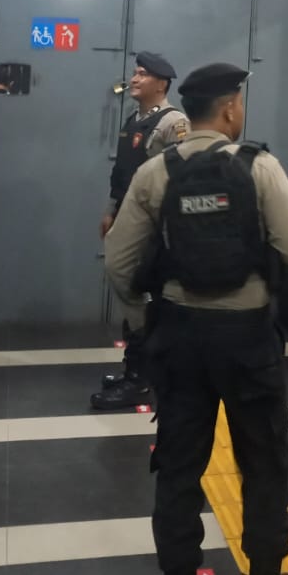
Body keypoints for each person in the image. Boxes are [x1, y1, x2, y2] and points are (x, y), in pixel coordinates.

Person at [104, 62, 288, 575]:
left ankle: (179, 566)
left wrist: (144, 321)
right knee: (263, 460)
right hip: (248, 338)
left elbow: (119, 263)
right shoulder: (260, 167)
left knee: (178, 464)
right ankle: (266, 567)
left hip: (179, 337)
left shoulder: (156, 172)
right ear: (229, 109)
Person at [92, 51, 189, 410]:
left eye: (143, 74)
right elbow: (121, 173)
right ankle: (135, 370)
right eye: (134, 73)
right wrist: (112, 210)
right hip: (128, 216)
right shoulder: (134, 119)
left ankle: (141, 378)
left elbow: (179, 177)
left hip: (153, 224)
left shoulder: (173, 122)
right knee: (133, 292)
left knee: (142, 293)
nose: (134, 79)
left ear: (161, 84)